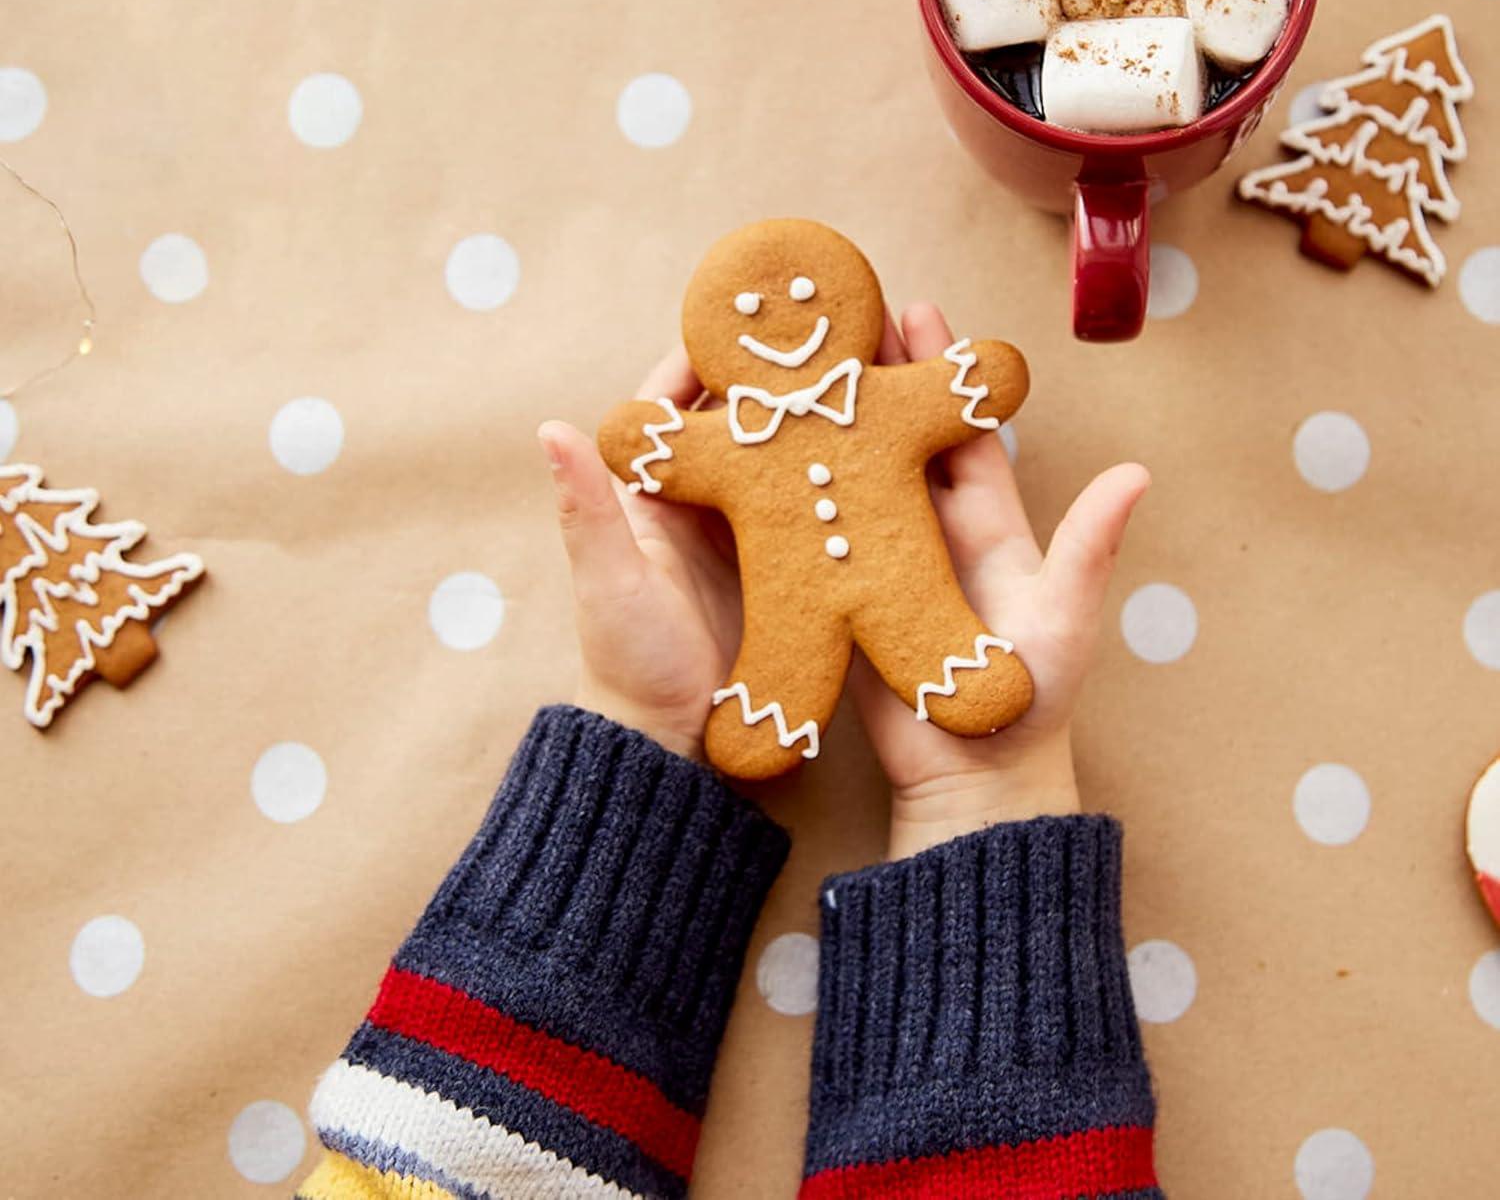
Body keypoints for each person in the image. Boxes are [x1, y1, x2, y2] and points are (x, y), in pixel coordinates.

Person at [291, 304, 1162, 1200]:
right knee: (784, 660)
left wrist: (643, 730)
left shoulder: (881, 406)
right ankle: (770, 707)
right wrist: (992, 796)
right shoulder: (739, 439)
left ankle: (926, 676)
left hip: (906, 596)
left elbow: (446, 1167)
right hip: (788, 613)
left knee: (930, 637)